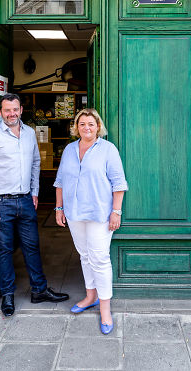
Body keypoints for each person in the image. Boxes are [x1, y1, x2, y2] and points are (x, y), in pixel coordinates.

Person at [0, 93, 69, 316]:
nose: (12, 114)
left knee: (32, 247)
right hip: (0, 202)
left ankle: (39, 290)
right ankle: (7, 295)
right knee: (5, 249)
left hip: (26, 200)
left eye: (15, 109)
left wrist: (35, 192)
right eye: (7, 110)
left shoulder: (29, 133)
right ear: (0, 112)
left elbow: (36, 163)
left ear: (21, 110)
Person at [54, 108, 128, 335]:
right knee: (85, 255)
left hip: (99, 214)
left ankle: (105, 309)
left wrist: (116, 212)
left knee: (100, 258)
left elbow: (119, 183)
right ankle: (90, 296)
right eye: (82, 124)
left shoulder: (108, 150)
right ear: (76, 127)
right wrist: (59, 207)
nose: (86, 128)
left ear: (98, 127)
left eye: (91, 124)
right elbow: (60, 181)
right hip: (75, 213)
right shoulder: (68, 149)